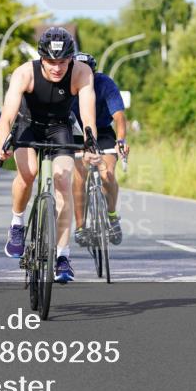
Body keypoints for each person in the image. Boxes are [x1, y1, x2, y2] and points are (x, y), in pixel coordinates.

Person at [0, 27, 99, 284]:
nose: (56, 68)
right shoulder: (24, 73)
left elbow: (87, 114)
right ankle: (17, 223)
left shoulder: (81, 73)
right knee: (28, 173)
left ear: (71, 59)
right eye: (51, 62)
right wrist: (2, 143)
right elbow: (7, 114)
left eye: (62, 62)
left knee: (64, 182)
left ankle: (63, 257)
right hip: (28, 124)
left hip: (59, 127)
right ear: (41, 58)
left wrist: (90, 143)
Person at [69, 52, 130, 246]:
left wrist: (120, 140)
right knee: (79, 176)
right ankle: (80, 227)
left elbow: (119, 116)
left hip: (103, 132)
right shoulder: (66, 83)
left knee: (107, 174)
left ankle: (112, 216)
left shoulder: (105, 83)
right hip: (77, 133)